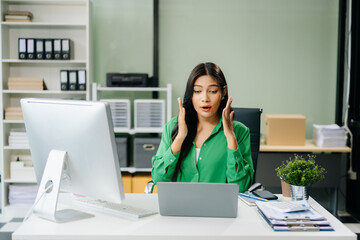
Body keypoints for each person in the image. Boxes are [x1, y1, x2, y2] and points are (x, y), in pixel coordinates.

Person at [151, 62, 254, 192]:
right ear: (191, 94)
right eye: (197, 91)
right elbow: (158, 179)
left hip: (218, 209)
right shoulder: (173, 127)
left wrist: (230, 138)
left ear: (223, 92)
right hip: (179, 208)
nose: (205, 98)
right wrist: (180, 137)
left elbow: (242, 187)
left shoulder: (240, 132)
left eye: (212, 91)